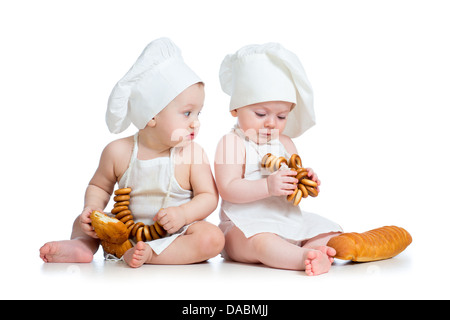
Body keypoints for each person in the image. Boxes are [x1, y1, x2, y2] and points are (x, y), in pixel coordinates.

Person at [40, 38, 224, 268]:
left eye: (199, 114)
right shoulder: (118, 151)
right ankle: (81, 245)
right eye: (187, 114)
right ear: (151, 116)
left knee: (212, 238)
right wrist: (92, 209)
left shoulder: (193, 154)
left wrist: (184, 215)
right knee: (83, 220)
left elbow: (208, 197)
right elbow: (99, 186)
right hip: (124, 230)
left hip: (176, 232)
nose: (195, 123)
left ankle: (152, 254)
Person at [214, 42, 342, 276]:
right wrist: (267, 186)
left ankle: (317, 249)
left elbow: (294, 191)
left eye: (281, 116)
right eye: (261, 114)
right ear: (235, 109)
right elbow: (228, 189)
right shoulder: (232, 142)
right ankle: (303, 257)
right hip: (243, 227)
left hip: (285, 220)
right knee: (262, 243)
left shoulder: (285, 143)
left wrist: (306, 180)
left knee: (329, 230)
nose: (271, 123)